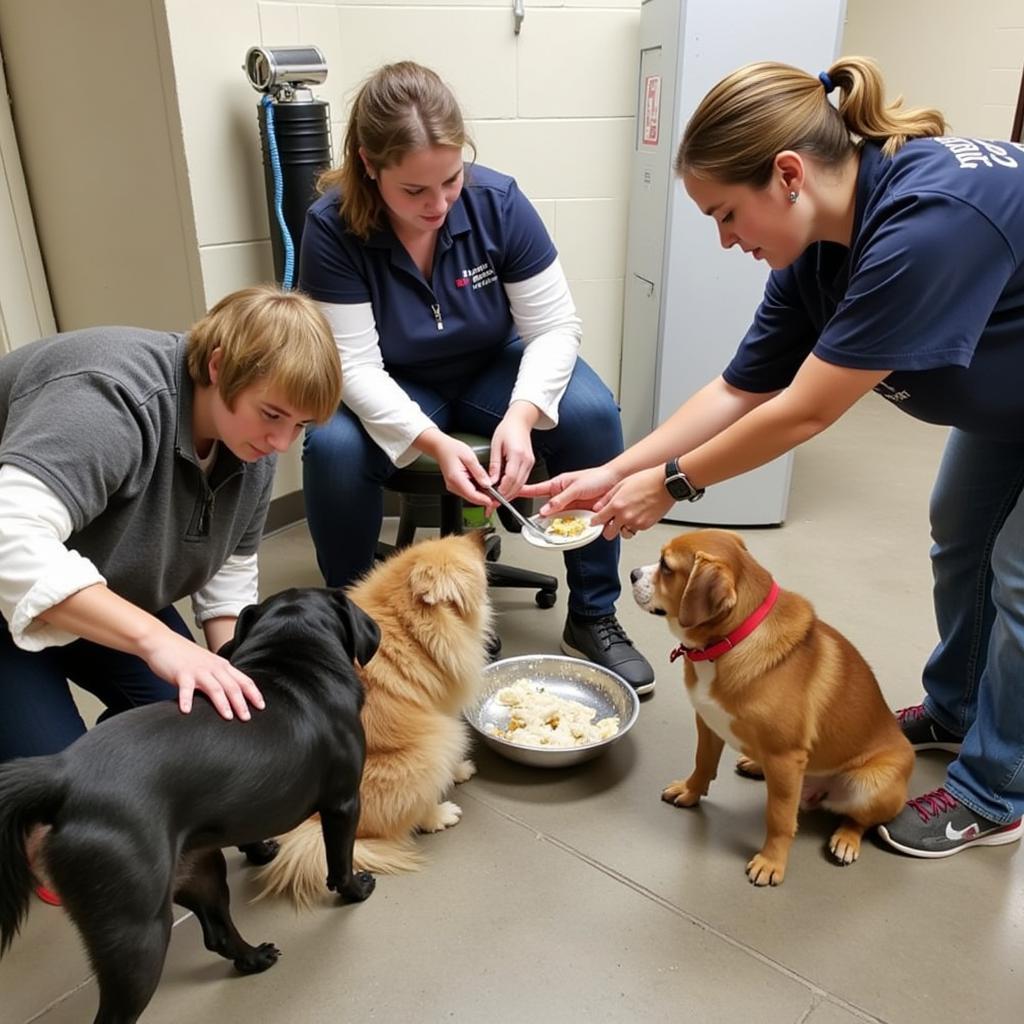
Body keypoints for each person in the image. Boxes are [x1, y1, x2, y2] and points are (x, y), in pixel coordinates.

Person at [524, 56, 1024, 859]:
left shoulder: (926, 227)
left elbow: (807, 409)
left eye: (727, 215)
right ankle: (957, 709)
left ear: (788, 175)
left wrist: (675, 485)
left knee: (1019, 573)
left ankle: (995, 790)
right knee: (960, 534)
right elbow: (741, 388)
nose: (727, 241)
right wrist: (618, 471)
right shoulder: (819, 244)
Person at [298, 60, 654, 694]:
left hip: (495, 366)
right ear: (369, 165)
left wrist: (522, 415)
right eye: (414, 192)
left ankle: (595, 615)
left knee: (595, 415)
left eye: (451, 180)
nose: (437, 205)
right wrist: (434, 442)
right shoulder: (332, 227)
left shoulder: (498, 202)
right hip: (395, 379)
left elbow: (555, 328)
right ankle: (348, 632)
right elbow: (351, 364)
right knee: (332, 447)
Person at [0, 284, 342, 765]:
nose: (282, 442)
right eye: (272, 415)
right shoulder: (111, 399)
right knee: (55, 807)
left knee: (204, 734)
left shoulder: (252, 443)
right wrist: (156, 641)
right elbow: (10, 539)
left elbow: (228, 579)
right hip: (7, 581)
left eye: (301, 425)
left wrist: (244, 681)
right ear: (218, 366)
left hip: (98, 586)